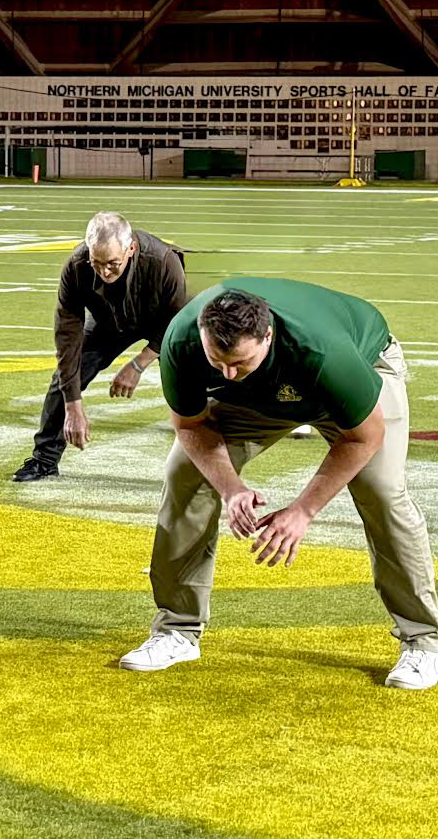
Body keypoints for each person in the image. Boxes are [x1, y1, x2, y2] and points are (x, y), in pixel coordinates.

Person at [120, 279, 438, 691]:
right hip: (260, 400)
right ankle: (176, 631)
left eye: (240, 362)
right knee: (185, 475)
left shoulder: (323, 352)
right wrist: (231, 488)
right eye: (218, 363)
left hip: (356, 374)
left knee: (381, 491)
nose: (228, 374)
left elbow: (364, 437)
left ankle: (425, 642)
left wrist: (302, 512)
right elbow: (190, 426)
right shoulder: (182, 342)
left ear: (267, 335)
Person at [11, 212, 189, 482]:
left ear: (131, 249)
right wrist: (73, 404)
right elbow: (67, 335)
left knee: (192, 373)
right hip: (109, 322)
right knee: (66, 375)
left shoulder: (164, 262)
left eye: (113, 264)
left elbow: (178, 321)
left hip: (164, 322)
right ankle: (44, 460)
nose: (105, 272)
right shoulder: (76, 265)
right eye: (97, 263)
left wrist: (138, 364)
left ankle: (205, 441)